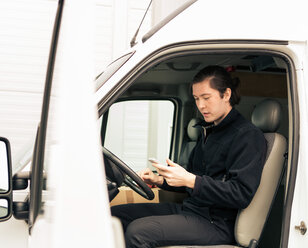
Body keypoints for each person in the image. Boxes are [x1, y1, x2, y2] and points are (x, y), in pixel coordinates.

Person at [111, 65, 267, 248]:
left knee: (139, 232)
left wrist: (191, 180)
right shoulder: (208, 131)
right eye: (196, 99)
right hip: (190, 210)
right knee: (115, 216)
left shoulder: (246, 136)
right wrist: (159, 180)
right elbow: (191, 180)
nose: (201, 105)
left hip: (216, 222)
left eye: (206, 98)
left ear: (226, 95)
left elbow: (241, 194)